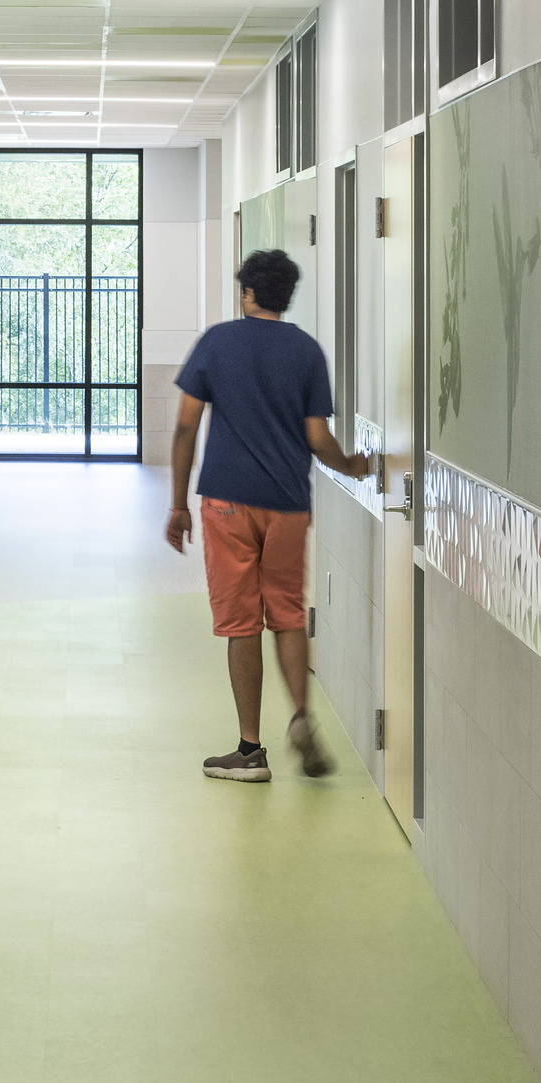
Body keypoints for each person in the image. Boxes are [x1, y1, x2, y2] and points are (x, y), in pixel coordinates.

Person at [167, 248, 375, 783]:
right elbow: (317, 438)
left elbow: (187, 425)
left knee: (241, 623)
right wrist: (351, 467)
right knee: (285, 612)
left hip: (227, 502)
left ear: (249, 293)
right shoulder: (307, 352)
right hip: (287, 503)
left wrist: (177, 503)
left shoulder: (217, 341)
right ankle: (302, 718)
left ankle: (250, 750)